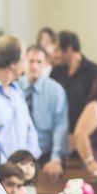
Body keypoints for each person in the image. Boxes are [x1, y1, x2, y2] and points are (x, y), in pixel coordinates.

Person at [18, 45, 68, 179]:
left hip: (45, 153)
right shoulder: (15, 87)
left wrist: (56, 158)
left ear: (46, 64)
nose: (34, 66)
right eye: (31, 61)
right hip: (17, 153)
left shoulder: (55, 90)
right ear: (24, 62)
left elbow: (60, 126)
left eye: (39, 62)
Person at [50, 30, 97, 136]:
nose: (54, 55)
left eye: (57, 50)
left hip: (85, 135)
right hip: (58, 134)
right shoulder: (56, 72)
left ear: (69, 49)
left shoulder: (95, 72)